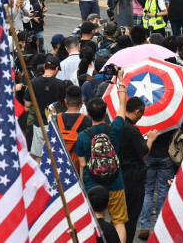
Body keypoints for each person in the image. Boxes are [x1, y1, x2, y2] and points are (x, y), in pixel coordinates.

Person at [75, 68, 128, 243]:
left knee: (97, 220)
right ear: (105, 113)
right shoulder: (115, 128)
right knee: (119, 221)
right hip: (116, 181)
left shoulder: (82, 137)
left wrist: (84, 185)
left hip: (93, 184)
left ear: (88, 114)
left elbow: (82, 165)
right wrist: (120, 80)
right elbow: (122, 106)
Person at [120, 97, 158, 242]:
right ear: (137, 111)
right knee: (131, 217)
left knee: (118, 216)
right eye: (141, 114)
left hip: (118, 176)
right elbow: (144, 153)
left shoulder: (117, 125)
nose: (141, 117)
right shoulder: (132, 130)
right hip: (133, 179)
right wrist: (150, 140)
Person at [25, 56, 64, 162]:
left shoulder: (33, 83)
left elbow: (27, 104)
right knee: (55, 156)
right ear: (56, 69)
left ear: (44, 66)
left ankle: (40, 178)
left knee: (38, 155)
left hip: (39, 124)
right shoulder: (61, 84)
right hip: (55, 125)